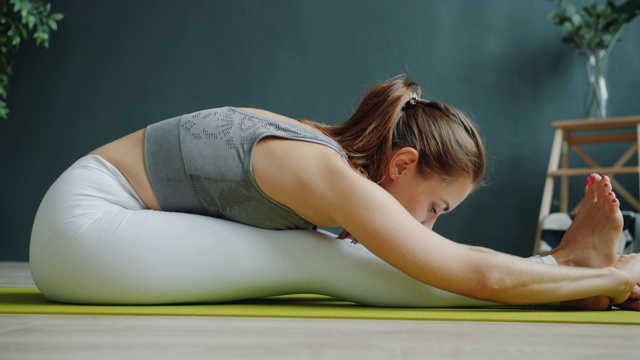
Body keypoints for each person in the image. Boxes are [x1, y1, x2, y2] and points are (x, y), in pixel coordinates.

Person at [29, 76, 640, 310]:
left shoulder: (327, 150)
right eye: (435, 208)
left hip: (82, 228)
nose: (428, 228)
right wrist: (615, 280)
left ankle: (564, 273)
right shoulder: (325, 171)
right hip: (85, 231)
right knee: (324, 258)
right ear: (401, 163)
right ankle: (568, 271)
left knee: (329, 252)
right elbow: (475, 275)